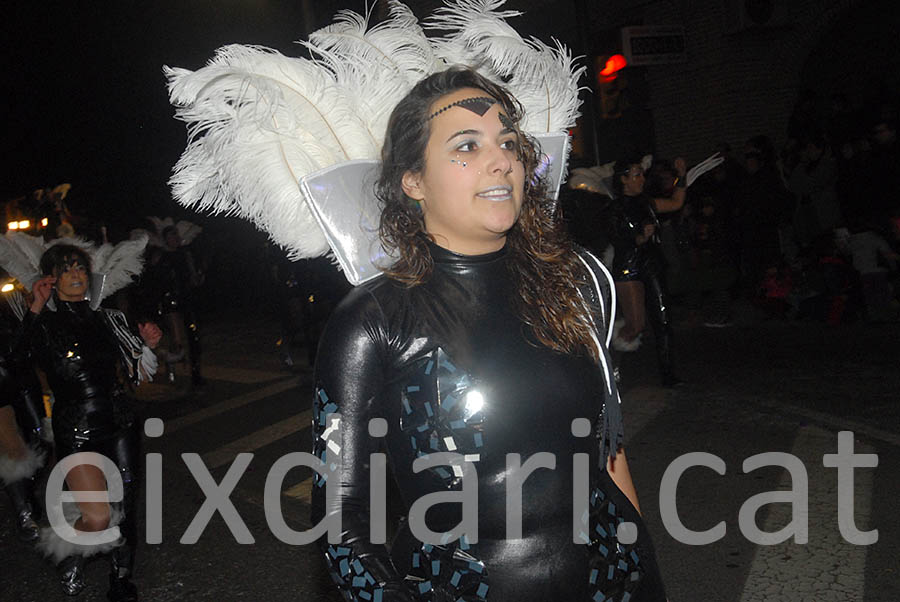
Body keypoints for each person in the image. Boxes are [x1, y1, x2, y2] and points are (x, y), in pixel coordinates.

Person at [311, 68, 666, 601]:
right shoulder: (371, 323)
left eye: (507, 142)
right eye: (467, 146)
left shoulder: (574, 285)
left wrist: (651, 585)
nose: (502, 160)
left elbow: (610, 460)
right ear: (413, 181)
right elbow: (340, 528)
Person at [21, 244, 160, 600]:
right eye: (66, 269)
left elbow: (135, 372)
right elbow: (17, 360)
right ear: (51, 279)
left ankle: (120, 578)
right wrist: (35, 307)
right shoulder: (45, 324)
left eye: (80, 267)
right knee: (98, 517)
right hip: (77, 429)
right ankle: (71, 555)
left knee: (127, 507)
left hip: (120, 422)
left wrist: (144, 345)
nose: (77, 275)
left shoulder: (108, 318)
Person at [607, 154, 687, 387]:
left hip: (651, 262)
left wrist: (681, 178)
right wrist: (640, 237)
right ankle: (611, 355)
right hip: (628, 266)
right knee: (637, 325)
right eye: (637, 174)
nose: (642, 178)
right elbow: (616, 238)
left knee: (663, 319)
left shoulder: (647, 202)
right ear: (624, 179)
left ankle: (668, 375)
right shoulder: (614, 208)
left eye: (642, 174)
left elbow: (676, 203)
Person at [0, 273, 47, 542]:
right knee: (13, 449)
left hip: (19, 379)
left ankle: (26, 495)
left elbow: (18, 343)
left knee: (39, 438)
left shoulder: (8, 298)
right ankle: (24, 512)